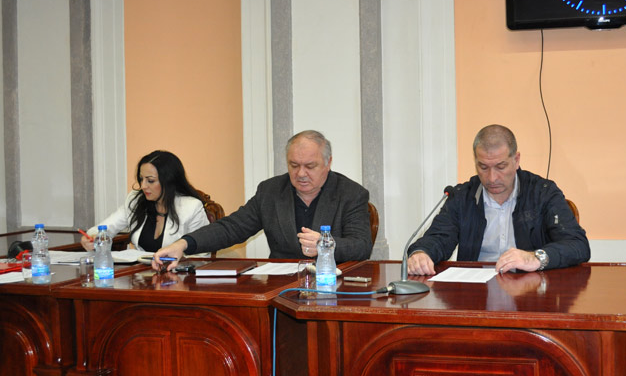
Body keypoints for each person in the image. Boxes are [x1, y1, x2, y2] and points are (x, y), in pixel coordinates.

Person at [153, 130, 373, 270]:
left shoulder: (351, 193)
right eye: (294, 165)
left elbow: (361, 246)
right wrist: (183, 244)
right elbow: (232, 227)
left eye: (310, 166)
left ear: (328, 163)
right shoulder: (271, 191)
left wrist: (324, 244)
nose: (301, 174)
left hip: (334, 285)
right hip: (280, 288)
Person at [407, 124, 590, 275]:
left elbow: (578, 245)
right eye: (483, 167)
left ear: (516, 160)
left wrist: (535, 257)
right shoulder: (462, 196)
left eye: (500, 167)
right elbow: (438, 238)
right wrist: (422, 253)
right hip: (475, 295)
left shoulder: (543, 192)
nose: (492, 178)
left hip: (530, 292)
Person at [84, 150, 209, 253]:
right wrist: (92, 238)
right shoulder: (135, 200)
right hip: (140, 274)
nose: (143, 186)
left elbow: (203, 255)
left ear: (169, 181)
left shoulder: (191, 207)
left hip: (177, 273)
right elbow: (104, 229)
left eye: (150, 181)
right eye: (141, 179)